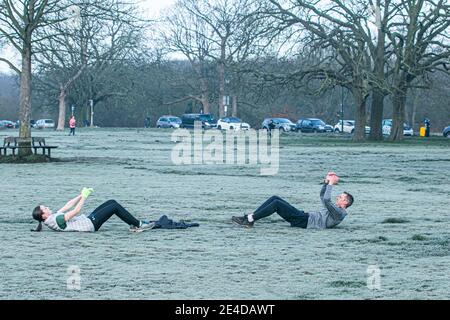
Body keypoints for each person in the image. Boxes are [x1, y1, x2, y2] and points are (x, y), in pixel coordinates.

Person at [232, 172, 353, 229]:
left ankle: (249, 219)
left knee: (276, 204)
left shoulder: (340, 213)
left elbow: (326, 199)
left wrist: (331, 183)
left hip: (305, 222)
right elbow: (323, 196)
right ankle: (250, 218)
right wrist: (327, 182)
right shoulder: (336, 210)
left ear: (345, 203)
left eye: (341, 197)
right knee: (275, 198)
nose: (338, 197)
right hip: (304, 217)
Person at [31, 188, 154, 233]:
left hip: (88, 220)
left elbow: (68, 205)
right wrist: (85, 196)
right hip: (89, 225)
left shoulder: (52, 218)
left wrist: (80, 194)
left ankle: (133, 223)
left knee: (111, 202)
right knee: (114, 207)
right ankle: (138, 225)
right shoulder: (57, 219)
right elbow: (76, 210)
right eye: (45, 208)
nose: (47, 207)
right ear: (43, 216)